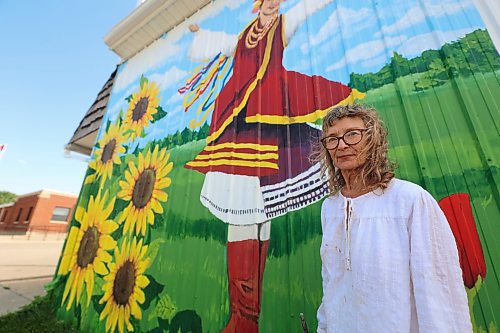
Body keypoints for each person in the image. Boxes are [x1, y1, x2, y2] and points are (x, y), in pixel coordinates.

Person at [182, 0, 364, 331]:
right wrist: (201, 33)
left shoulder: (283, 24)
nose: (272, 4)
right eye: (266, 1)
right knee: (243, 210)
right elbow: (221, 44)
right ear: (257, 6)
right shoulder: (243, 36)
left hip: (269, 111)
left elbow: (305, 8)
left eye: (276, 1)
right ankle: (243, 315)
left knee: (255, 210)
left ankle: (245, 317)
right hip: (238, 119)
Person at [314, 104, 472, 332]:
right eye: (332, 139)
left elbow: (436, 285)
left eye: (352, 134)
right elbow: (330, 281)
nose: (342, 145)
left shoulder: (409, 200)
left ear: (372, 140)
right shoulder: (330, 208)